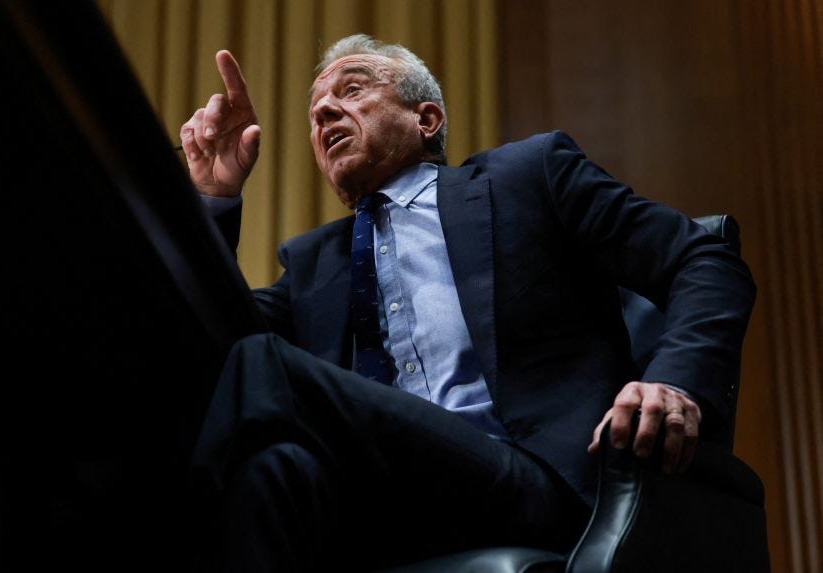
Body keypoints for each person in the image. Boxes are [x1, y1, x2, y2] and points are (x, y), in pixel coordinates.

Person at [180, 35, 755, 571]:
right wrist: (213, 201)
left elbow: (703, 260)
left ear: (425, 119)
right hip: (380, 501)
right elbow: (216, 342)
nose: (325, 112)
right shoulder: (314, 262)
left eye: (351, 90)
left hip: (534, 479)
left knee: (266, 366)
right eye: (314, 113)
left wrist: (676, 383)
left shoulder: (527, 177)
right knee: (270, 471)